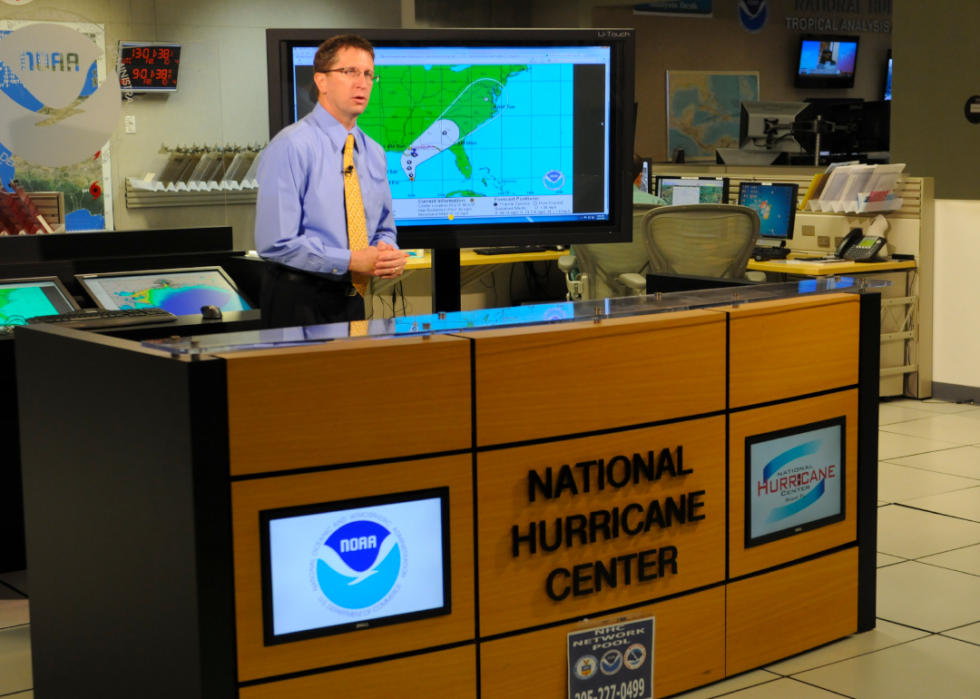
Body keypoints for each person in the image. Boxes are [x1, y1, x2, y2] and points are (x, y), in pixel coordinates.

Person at [255, 34, 408, 328]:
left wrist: (386, 254)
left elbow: (384, 229)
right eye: (349, 72)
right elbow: (275, 243)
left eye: (368, 74)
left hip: (353, 298)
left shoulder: (374, 152)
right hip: (298, 300)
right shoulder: (291, 145)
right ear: (321, 82)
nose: (362, 82)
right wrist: (351, 260)